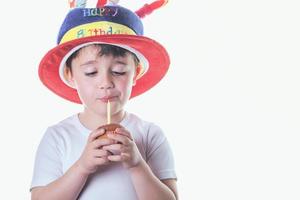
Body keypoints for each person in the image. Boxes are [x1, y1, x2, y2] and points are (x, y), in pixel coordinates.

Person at [30, 1, 177, 199]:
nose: (106, 83)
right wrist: (82, 167)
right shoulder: (58, 137)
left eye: (119, 71)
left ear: (136, 73)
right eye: (91, 72)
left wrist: (137, 165)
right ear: (70, 75)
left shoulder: (150, 135)